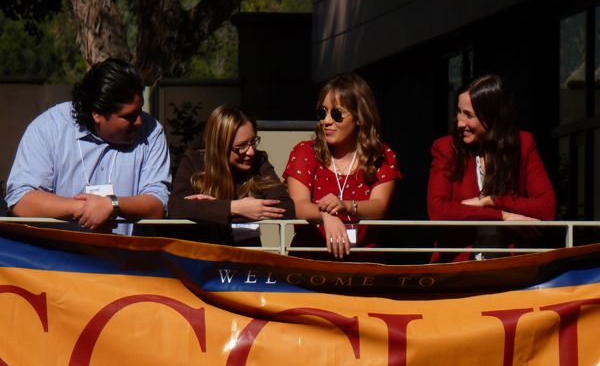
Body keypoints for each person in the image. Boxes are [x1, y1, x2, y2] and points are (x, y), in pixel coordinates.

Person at [6, 58, 170, 234]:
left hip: (126, 258)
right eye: (128, 116)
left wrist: (112, 205)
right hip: (60, 258)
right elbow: (21, 201)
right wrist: (86, 208)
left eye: (140, 110)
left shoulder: (152, 132)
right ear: (97, 114)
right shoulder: (49, 129)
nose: (139, 121)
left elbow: (158, 205)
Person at [427, 74, 555, 263]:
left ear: (494, 116)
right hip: (456, 265)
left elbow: (547, 207)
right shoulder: (445, 147)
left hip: (510, 267)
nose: (460, 122)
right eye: (459, 112)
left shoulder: (523, 144)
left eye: (468, 115)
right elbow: (438, 210)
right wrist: (502, 216)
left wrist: (491, 200)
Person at [283, 72, 400, 260]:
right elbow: (298, 205)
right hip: (311, 259)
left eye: (336, 115)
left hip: (363, 261)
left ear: (360, 117)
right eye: (322, 112)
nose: (326, 121)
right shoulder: (305, 151)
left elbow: (379, 206)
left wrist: (346, 206)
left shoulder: (383, 156)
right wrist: (326, 216)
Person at [168, 104, 295, 246]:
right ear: (219, 146)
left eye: (253, 142)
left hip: (246, 258)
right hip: (203, 258)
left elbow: (286, 208)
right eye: (241, 147)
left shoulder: (259, 161)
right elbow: (176, 208)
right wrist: (236, 208)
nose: (251, 152)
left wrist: (209, 210)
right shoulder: (193, 161)